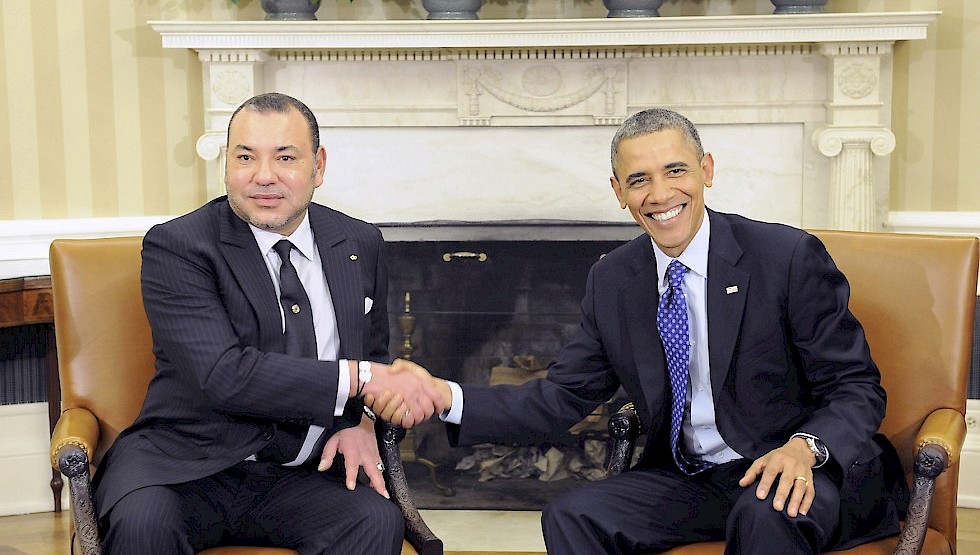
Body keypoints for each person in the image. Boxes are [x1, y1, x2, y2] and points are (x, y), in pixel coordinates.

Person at [382, 108, 909, 554]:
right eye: (638, 180)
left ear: (706, 170)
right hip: (693, 478)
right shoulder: (614, 278)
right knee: (573, 516)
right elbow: (560, 398)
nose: (659, 194)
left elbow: (856, 386)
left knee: (765, 514)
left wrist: (805, 447)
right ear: (618, 192)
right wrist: (443, 396)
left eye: (675, 171)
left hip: (794, 470)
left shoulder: (785, 257)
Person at [93, 92, 444, 554]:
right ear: (226, 165)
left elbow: (373, 351)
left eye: (285, 157)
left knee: (374, 522)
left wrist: (359, 423)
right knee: (144, 528)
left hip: (302, 473)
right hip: (183, 468)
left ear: (317, 166)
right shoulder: (179, 246)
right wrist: (361, 379)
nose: (264, 176)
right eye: (245, 157)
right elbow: (224, 374)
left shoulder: (359, 242)